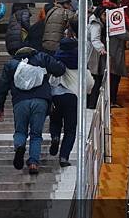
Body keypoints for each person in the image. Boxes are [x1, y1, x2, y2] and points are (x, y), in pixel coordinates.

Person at [0, 47, 66, 175]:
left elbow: (2, 86)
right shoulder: (42, 57)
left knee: (20, 131)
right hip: (40, 101)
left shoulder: (11, 64)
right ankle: (33, 163)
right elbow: (59, 70)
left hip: (20, 102)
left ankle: (20, 146)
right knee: (36, 134)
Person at [48, 34, 93, 167]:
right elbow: (89, 82)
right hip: (72, 97)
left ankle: (55, 136)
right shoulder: (79, 61)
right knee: (70, 129)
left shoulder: (55, 60)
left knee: (55, 121)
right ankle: (63, 157)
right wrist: (87, 92)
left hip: (56, 95)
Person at [87, 7, 129, 108]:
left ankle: (94, 104)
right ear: (100, 15)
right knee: (102, 81)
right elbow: (95, 39)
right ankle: (100, 104)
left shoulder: (101, 23)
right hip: (101, 56)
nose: (106, 17)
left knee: (99, 81)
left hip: (100, 57)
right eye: (105, 15)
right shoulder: (97, 25)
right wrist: (101, 48)